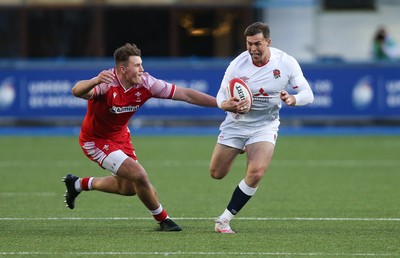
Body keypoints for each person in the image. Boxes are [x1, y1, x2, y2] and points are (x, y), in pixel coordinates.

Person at [63, 43, 217, 231]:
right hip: (95, 141)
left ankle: (78, 184)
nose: (142, 70)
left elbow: (186, 95)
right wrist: (95, 80)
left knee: (128, 188)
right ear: (122, 69)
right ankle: (164, 220)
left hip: (120, 136)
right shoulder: (106, 84)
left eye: (141, 65)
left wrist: (221, 104)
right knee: (140, 175)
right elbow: (76, 91)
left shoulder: (147, 83)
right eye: (137, 66)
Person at [209, 22, 314, 233]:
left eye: (257, 44)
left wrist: (293, 99)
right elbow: (221, 94)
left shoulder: (285, 62)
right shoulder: (238, 64)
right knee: (217, 173)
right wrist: (224, 104)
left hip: (265, 125)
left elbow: (308, 94)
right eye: (249, 44)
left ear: (268, 42)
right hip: (236, 123)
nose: (253, 49)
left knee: (256, 172)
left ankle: (224, 220)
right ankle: (241, 146)